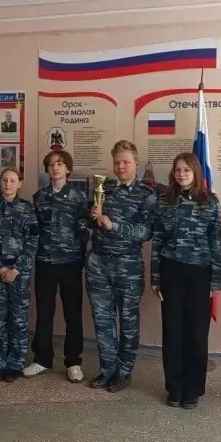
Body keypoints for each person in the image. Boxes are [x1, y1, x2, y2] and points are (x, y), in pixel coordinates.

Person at [150, 153, 221, 409]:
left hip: (200, 272)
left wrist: (215, 281)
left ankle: (192, 388)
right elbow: (158, 240)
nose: (182, 174)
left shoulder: (210, 202)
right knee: (172, 331)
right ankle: (174, 387)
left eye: (187, 170)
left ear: (196, 173)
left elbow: (216, 243)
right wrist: (155, 276)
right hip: (171, 271)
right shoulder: (164, 201)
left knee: (196, 332)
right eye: (178, 170)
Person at [85, 140, 157, 392]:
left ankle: (124, 372)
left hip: (128, 266)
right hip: (98, 263)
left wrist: (113, 225)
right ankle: (107, 369)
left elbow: (145, 232)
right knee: (102, 320)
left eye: (126, 162)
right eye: (117, 162)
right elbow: (91, 225)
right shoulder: (104, 189)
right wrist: (93, 217)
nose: (121, 167)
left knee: (128, 321)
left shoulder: (146, 194)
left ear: (136, 163)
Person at [25, 150, 89, 383]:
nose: (55, 167)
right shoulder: (39, 197)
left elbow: (84, 229)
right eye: (51, 164)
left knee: (73, 313)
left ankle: (73, 361)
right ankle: (42, 358)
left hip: (70, 262)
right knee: (44, 312)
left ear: (68, 169)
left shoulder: (79, 197)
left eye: (60, 163)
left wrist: (78, 254)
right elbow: (34, 229)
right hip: (45, 261)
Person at [0, 168, 39, 382]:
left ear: (19, 184)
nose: (8, 184)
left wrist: (17, 269)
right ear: (0, 183)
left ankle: (15, 363)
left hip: (19, 274)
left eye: (12, 180)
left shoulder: (27, 209)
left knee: (18, 319)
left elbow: (33, 241)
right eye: (4, 180)